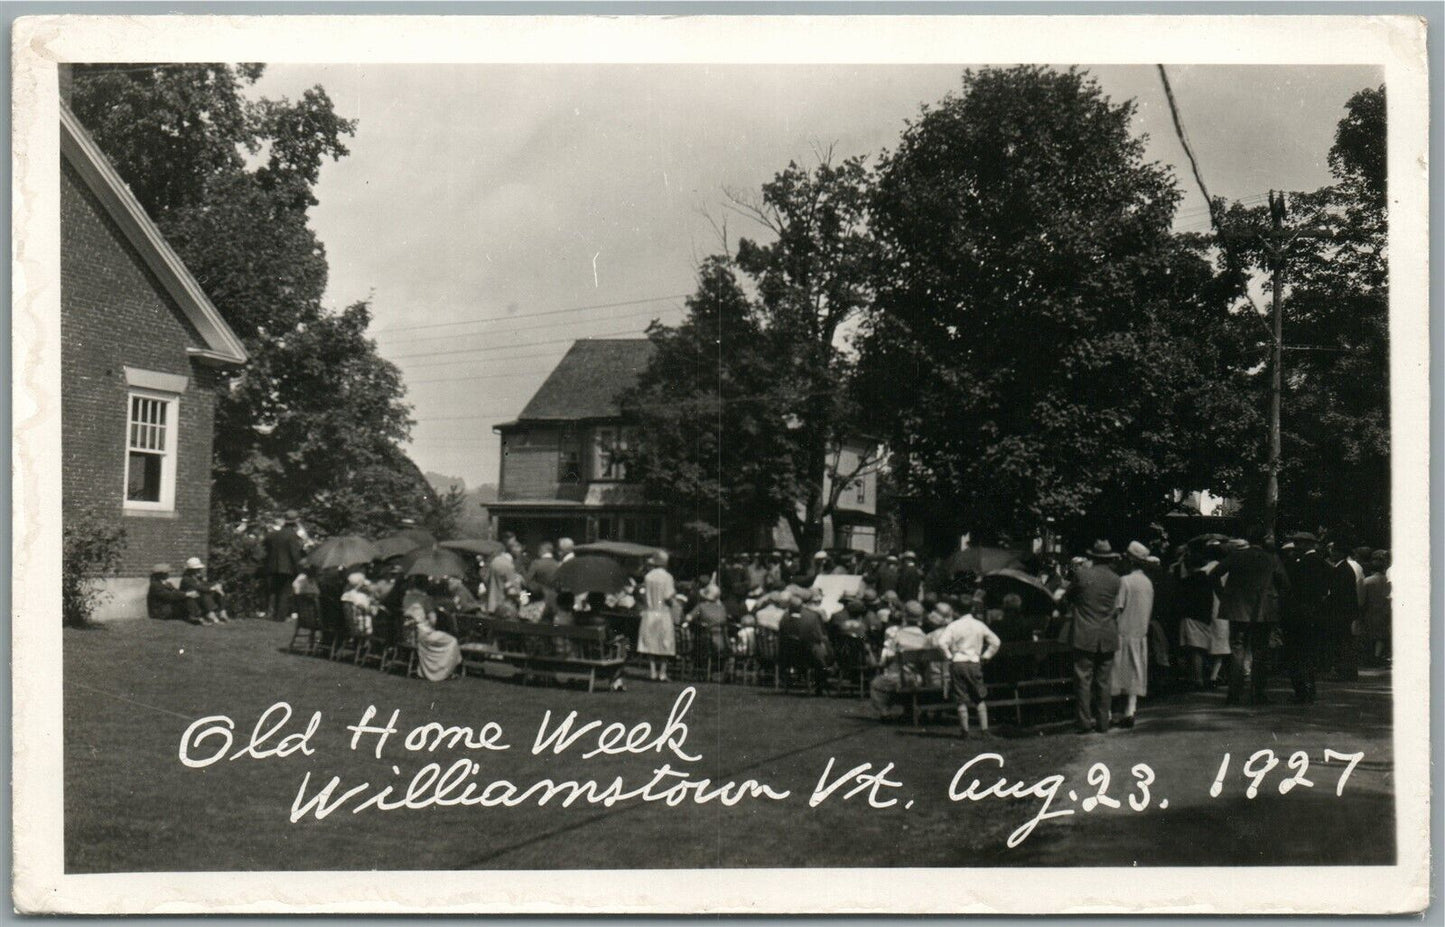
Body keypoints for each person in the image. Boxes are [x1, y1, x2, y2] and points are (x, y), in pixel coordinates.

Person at [1216, 528, 1291, 705]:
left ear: (1248, 540)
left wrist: (1224, 596)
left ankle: (1233, 695)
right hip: (1263, 612)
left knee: (1237, 650)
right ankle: (1258, 694)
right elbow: (1285, 584)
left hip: (1238, 610)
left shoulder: (1236, 556)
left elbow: (1213, 575)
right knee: (1260, 652)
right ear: (1264, 541)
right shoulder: (1272, 558)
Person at [1063, 541, 1122, 734]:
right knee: (1104, 681)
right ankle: (1103, 722)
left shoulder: (1081, 575)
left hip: (1084, 634)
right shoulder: (1116, 579)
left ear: (1093, 557)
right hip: (1107, 634)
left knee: (1083, 680)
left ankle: (1084, 722)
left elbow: (1068, 597)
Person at [932, 597, 1002, 737]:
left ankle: (965, 731)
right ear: (972, 609)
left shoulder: (953, 626)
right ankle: (984, 730)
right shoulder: (979, 625)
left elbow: (941, 643)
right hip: (974, 662)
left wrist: (949, 656)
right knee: (979, 696)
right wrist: (986, 655)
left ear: (956, 611)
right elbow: (996, 641)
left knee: (960, 697)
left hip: (958, 663)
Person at [1110, 541, 1155, 728]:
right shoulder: (1147, 583)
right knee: (1135, 672)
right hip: (1140, 633)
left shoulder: (1125, 581)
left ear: (1130, 560)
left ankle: (1113, 713)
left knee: (1117, 673)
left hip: (1123, 632)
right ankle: (1131, 710)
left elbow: (1117, 609)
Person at [869, 601, 932, 719]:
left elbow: (888, 656)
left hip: (902, 678)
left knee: (877, 683)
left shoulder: (898, 636)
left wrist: (884, 663)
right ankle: (908, 709)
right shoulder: (925, 637)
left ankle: (885, 712)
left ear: (905, 616)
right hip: (920, 678)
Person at [638, 551, 678, 681]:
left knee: (651, 642)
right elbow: (667, 596)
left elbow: (644, 594)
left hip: (650, 612)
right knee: (665, 642)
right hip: (663, 612)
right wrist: (674, 602)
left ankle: (652, 671)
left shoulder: (648, 576)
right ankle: (663, 672)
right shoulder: (668, 577)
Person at [261, 510, 306, 621]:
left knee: (275, 591)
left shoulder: (273, 535)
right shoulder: (292, 536)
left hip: (272, 566)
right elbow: (294, 554)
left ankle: (273, 613)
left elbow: (265, 546)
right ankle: (280, 616)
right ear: (295, 522)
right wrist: (300, 569)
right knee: (285, 592)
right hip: (287, 567)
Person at [403, 602, 462, 681]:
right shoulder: (428, 605)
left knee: (445, 640)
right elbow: (433, 621)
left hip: (417, 636)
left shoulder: (412, 604)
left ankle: (434, 670)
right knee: (453, 641)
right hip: (426, 634)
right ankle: (445, 671)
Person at [180, 557, 229, 624]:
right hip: (190, 599)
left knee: (219, 593)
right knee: (205, 594)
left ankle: (222, 612)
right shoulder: (186, 579)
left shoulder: (197, 577)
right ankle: (212, 616)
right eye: (196, 569)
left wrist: (216, 585)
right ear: (190, 570)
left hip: (199, 597)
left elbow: (205, 584)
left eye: (199, 569)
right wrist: (212, 588)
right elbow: (198, 587)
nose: (199, 570)